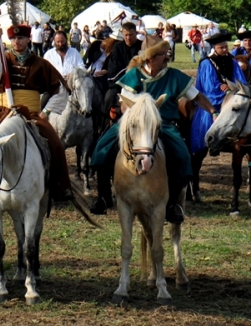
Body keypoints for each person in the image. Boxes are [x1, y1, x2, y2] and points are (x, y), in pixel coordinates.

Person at [89, 38, 214, 222]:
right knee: (102, 147)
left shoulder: (174, 76)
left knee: (182, 155)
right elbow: (124, 105)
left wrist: (213, 111)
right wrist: (136, 116)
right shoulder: (133, 76)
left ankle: (172, 204)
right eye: (164, 54)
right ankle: (103, 197)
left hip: (164, 123)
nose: (167, 57)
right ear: (151, 58)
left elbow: (197, 97)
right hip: (134, 122)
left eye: (167, 53)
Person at [0, 23, 74, 203]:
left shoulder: (41, 64)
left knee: (55, 144)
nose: (17, 41)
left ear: (28, 39)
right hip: (4, 111)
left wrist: (46, 111)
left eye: (20, 38)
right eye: (13, 38)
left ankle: (60, 186)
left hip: (31, 113)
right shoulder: (4, 59)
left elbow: (60, 91)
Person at [189, 31, 246, 201]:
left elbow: (240, 81)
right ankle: (194, 184)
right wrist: (224, 91)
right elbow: (208, 87)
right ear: (214, 48)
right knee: (203, 139)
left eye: (225, 47)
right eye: (221, 47)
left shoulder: (233, 62)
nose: (224, 49)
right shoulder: (207, 63)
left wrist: (233, 90)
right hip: (212, 104)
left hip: (231, 98)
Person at [43, 31, 86, 116]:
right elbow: (43, 72)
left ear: (66, 40)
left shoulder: (74, 52)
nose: (60, 44)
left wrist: (72, 74)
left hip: (72, 87)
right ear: (54, 42)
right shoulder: (49, 54)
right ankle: (41, 119)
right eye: (58, 42)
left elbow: (82, 68)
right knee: (44, 101)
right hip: (54, 87)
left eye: (62, 41)